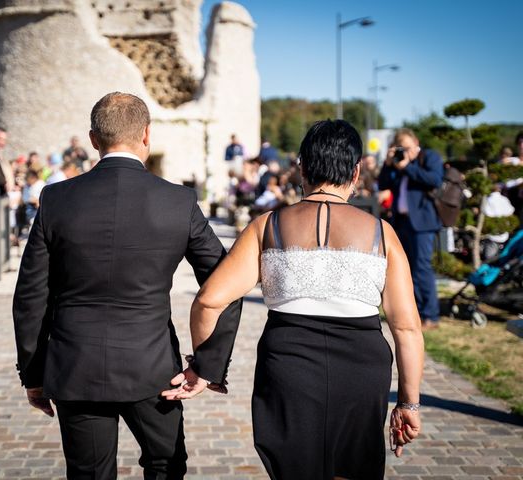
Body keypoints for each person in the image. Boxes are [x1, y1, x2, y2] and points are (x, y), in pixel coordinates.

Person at [163, 120, 424, 479]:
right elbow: (407, 327)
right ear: (356, 170)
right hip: (362, 370)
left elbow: (209, 300)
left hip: (288, 365)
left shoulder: (266, 226)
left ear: (301, 167)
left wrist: (205, 367)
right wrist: (408, 402)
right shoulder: (383, 234)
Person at [12, 92, 242, 480]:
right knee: (166, 466)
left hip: (75, 366)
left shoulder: (56, 199)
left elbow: (30, 296)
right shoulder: (178, 201)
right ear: (147, 135)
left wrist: (33, 374)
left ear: (93, 139)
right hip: (153, 369)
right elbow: (226, 282)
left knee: (89, 475)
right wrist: (208, 366)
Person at [378, 128, 444, 331]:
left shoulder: (429, 157)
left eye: (406, 147)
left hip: (423, 223)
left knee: (422, 268)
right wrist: (388, 163)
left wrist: (407, 166)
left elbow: (434, 179)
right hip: (402, 222)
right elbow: (383, 184)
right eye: (400, 148)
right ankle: (414, 312)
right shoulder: (397, 163)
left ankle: (431, 316)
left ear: (416, 142)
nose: (404, 152)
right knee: (405, 269)